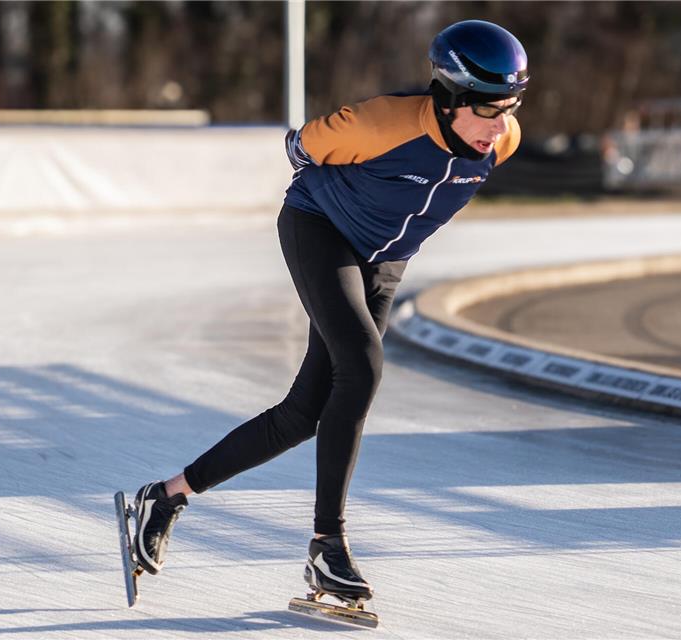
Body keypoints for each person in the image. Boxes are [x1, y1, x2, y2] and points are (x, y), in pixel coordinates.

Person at [130, 19, 529, 603]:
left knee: (303, 414)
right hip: (319, 230)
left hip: (385, 263)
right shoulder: (380, 123)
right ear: (448, 99)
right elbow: (300, 148)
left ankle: (166, 496)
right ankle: (328, 546)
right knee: (362, 368)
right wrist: (347, 191)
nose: (500, 127)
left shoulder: (505, 138)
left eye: (510, 109)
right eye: (488, 111)